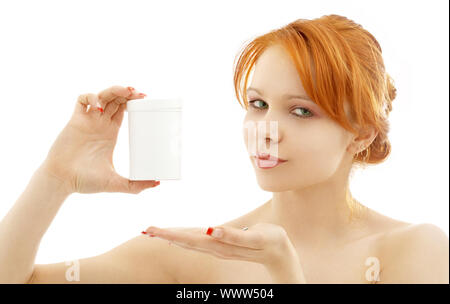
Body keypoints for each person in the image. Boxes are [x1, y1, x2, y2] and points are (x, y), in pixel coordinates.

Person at [0, 14, 448, 284]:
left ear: (362, 133)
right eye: (258, 104)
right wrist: (55, 178)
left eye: (302, 111)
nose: (266, 130)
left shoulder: (411, 251)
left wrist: (285, 276)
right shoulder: (193, 253)